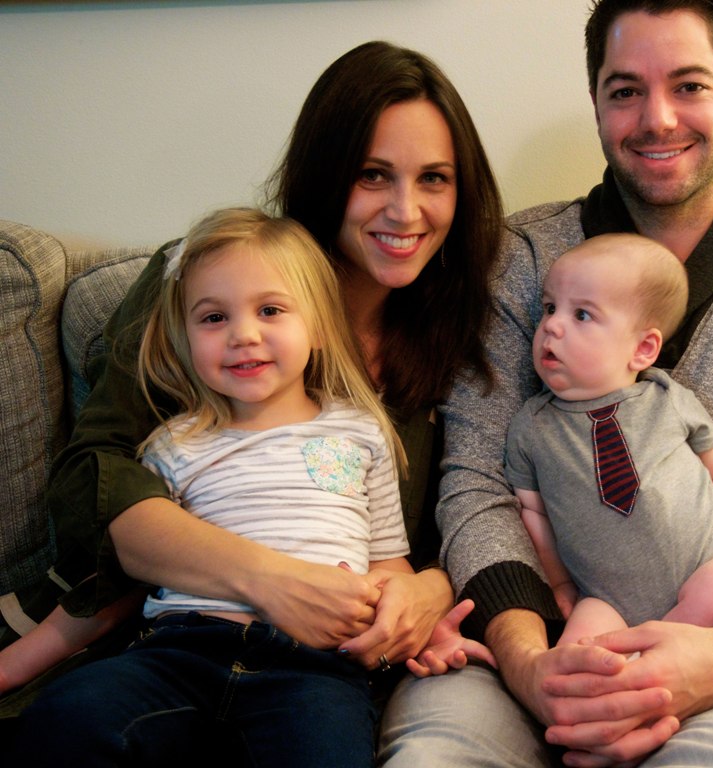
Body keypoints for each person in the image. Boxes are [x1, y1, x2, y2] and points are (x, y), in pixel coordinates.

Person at [380, 2, 713, 766]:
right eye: (625, 91)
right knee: (434, 755)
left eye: (689, 86)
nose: (657, 118)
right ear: (595, 103)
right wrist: (530, 663)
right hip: (546, 633)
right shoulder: (517, 265)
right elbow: (478, 484)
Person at [3, 41, 502, 713]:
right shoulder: (210, 282)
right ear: (327, 175)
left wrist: (429, 591)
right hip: (154, 641)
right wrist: (271, 578)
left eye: (434, 179)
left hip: (331, 672)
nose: (406, 211)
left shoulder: (466, 325)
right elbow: (97, 469)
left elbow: (473, 510)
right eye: (373, 175)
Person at [13, 208, 494, 764]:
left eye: (270, 310)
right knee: (67, 716)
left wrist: (423, 631)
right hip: (178, 654)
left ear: (316, 324)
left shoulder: (363, 433)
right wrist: (15, 665)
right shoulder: (171, 446)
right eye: (213, 318)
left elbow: (388, 567)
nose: (244, 334)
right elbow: (115, 586)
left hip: (314, 672)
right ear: (183, 334)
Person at [505, 233, 713, 643]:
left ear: (643, 349)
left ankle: (663, 645)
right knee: (578, 648)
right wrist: (558, 585)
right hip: (605, 600)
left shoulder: (668, 400)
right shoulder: (531, 427)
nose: (551, 325)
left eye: (582, 315)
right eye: (550, 308)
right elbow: (534, 515)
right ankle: (629, 668)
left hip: (702, 571)